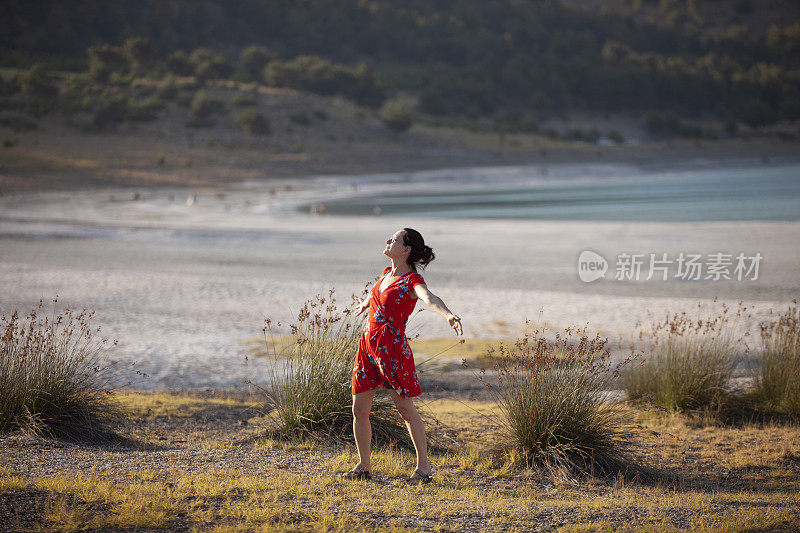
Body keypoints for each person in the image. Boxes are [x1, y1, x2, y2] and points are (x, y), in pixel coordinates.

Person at [342, 227, 462, 485]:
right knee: (358, 409)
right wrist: (365, 304)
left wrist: (448, 315)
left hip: (392, 349)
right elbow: (376, 293)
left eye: (395, 239)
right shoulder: (386, 273)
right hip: (367, 345)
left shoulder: (412, 281)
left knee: (405, 410)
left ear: (406, 250)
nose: (389, 241)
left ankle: (424, 468)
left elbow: (429, 298)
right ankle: (364, 466)